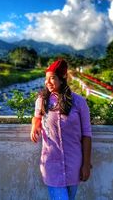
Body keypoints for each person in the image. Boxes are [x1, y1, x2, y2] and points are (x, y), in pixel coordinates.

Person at [30, 59, 92, 200]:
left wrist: (86, 165)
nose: (48, 82)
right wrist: (35, 124)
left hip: (74, 165)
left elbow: (87, 135)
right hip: (51, 165)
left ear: (63, 78)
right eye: (46, 79)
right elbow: (36, 116)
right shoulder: (42, 100)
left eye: (52, 78)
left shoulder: (79, 102)